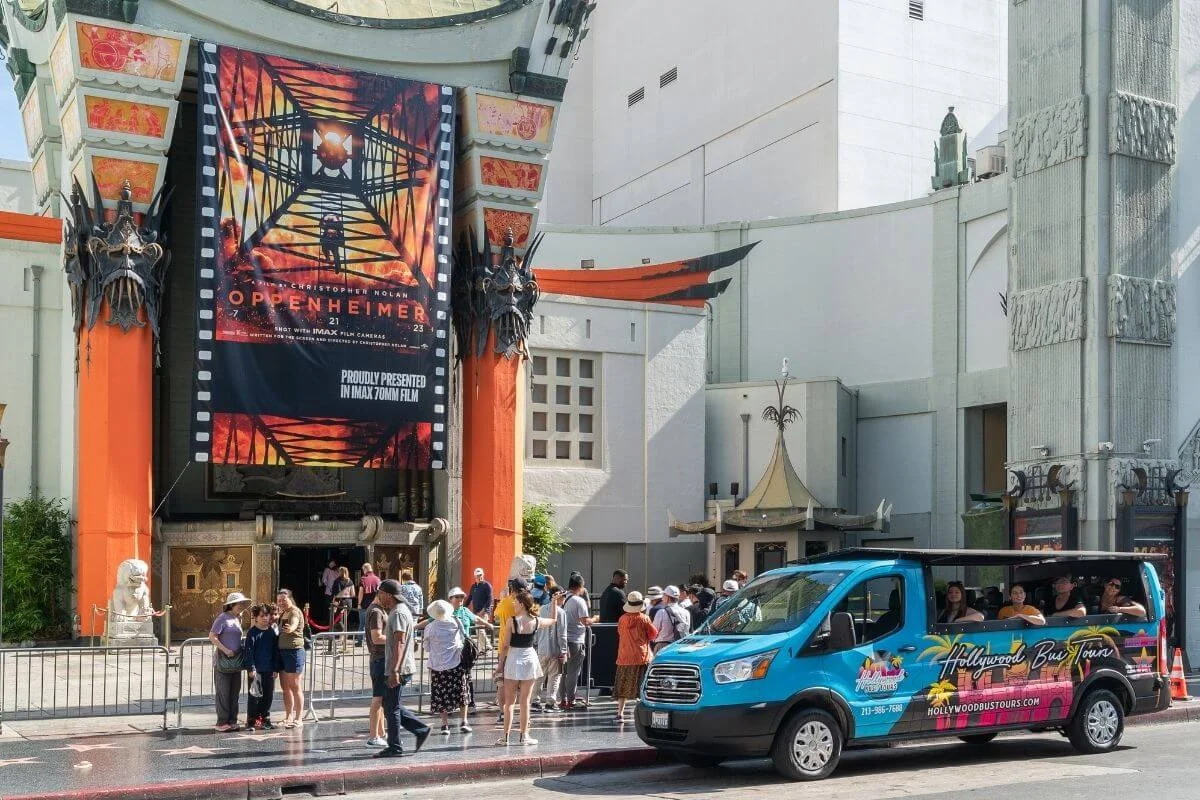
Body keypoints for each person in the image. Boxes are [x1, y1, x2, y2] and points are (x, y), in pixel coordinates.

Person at [496, 586, 560, 745]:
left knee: (510, 702)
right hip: (529, 659)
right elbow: (553, 620)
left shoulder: (512, 621)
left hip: (513, 658)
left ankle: (505, 737)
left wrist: (499, 666)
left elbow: (505, 646)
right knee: (525, 702)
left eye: (516, 602)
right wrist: (554, 603)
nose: (514, 605)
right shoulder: (536, 620)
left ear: (523, 604)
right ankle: (524, 736)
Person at [374, 579, 430, 758]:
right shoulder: (400, 611)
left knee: (392, 707)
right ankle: (420, 729)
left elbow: (399, 641)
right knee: (389, 704)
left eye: (381, 593)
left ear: (389, 595)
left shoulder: (398, 613)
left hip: (400, 667)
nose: (379, 596)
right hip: (401, 666)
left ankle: (396, 746)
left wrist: (395, 670)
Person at [423, 599, 472, 735]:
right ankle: (464, 721)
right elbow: (464, 638)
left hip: (437, 665)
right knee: (462, 692)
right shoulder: (455, 622)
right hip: (456, 662)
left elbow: (426, 647)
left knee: (441, 694)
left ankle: (445, 725)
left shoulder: (430, 628)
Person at [209, 592, 251, 732]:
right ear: (231, 605)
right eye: (239, 603)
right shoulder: (222, 618)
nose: (241, 606)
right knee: (223, 692)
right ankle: (222, 722)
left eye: (242, 603)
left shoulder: (237, 619)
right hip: (223, 660)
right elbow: (212, 636)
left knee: (234, 692)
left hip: (236, 661)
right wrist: (226, 650)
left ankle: (232, 720)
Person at [614, 591, 657, 722]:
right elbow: (653, 634)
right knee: (643, 686)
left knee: (622, 687)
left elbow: (619, 633)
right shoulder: (644, 618)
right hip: (641, 656)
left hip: (624, 656)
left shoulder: (622, 619)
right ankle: (643, 714)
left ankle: (620, 713)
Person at [448, 586, 492, 710]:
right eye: (457, 597)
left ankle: (470, 702)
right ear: (450, 599)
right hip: (450, 649)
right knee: (452, 676)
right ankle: (454, 702)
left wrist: (488, 624)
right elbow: (431, 620)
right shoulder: (446, 612)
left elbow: (476, 618)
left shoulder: (465, 611)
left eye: (462, 597)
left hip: (464, 649)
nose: (461, 599)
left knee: (466, 675)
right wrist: (415, 626)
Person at [559, 573, 595, 710]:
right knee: (573, 672)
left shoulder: (562, 598)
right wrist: (596, 619)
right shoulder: (579, 601)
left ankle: (562, 699)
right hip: (575, 641)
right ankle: (571, 700)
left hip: (562, 640)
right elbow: (585, 621)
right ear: (580, 586)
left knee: (563, 672)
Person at [244, 603, 281, 729]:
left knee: (268, 696)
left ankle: (265, 719)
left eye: (267, 615)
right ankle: (251, 721)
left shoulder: (272, 632)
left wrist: (276, 668)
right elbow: (249, 651)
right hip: (256, 671)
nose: (265, 618)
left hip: (269, 670)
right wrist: (251, 668)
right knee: (254, 696)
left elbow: (276, 651)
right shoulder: (252, 633)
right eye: (262, 616)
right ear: (256, 617)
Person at [275, 588, 306, 729]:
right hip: (282, 652)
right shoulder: (282, 613)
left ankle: (299, 718)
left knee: (295, 686)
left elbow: (294, 623)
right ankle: (288, 716)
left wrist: (291, 628)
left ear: (290, 598)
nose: (281, 602)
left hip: (294, 652)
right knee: (285, 687)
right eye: (279, 600)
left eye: (284, 599)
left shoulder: (295, 611)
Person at [535, 583, 568, 713]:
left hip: (542, 648)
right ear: (558, 597)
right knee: (555, 676)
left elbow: (537, 630)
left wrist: (537, 643)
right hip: (555, 649)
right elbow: (562, 633)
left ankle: (535, 701)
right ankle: (550, 702)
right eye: (563, 596)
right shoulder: (561, 612)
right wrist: (563, 650)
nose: (564, 598)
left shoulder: (541, 609)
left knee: (539, 676)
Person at [363, 589, 388, 747]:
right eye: (389, 596)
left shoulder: (377, 609)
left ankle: (380, 732)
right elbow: (377, 638)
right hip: (379, 658)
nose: (390, 600)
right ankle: (373, 736)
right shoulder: (376, 611)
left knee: (381, 698)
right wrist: (397, 637)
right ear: (381, 593)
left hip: (379, 658)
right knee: (378, 698)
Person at [652, 585, 691, 653]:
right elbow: (687, 629)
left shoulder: (662, 612)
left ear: (668, 597)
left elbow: (654, 632)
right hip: (680, 647)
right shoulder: (686, 612)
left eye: (664, 595)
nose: (662, 597)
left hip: (663, 647)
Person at [467, 568, 495, 651]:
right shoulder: (473, 586)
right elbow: (469, 598)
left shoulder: (487, 585)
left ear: (483, 575)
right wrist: (463, 607)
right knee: (478, 630)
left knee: (480, 629)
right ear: (475, 576)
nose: (479, 577)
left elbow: (490, 599)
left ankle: (488, 647)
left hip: (484, 612)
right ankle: (483, 649)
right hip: (476, 612)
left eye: (480, 575)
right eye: (477, 575)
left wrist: (483, 611)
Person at [330, 565, 356, 651]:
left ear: (340, 572)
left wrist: (334, 601)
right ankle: (343, 637)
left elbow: (334, 593)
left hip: (339, 602)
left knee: (339, 620)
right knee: (344, 619)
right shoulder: (350, 581)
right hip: (349, 602)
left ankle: (343, 635)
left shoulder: (337, 581)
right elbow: (353, 594)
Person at [357, 563, 381, 637]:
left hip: (364, 604)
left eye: (363, 570)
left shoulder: (363, 579)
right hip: (375, 605)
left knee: (362, 624)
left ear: (365, 569)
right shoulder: (377, 579)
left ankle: (360, 641)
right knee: (373, 624)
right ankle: (372, 641)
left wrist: (359, 604)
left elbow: (361, 592)